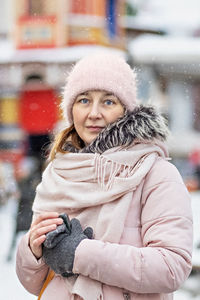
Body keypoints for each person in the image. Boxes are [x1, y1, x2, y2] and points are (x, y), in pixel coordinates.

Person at [16, 53, 193, 300]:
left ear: (126, 110)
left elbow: (172, 268)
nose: (94, 113)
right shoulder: (59, 173)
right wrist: (32, 251)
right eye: (84, 100)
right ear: (71, 109)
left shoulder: (155, 174)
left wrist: (80, 253)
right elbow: (37, 284)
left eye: (108, 102)